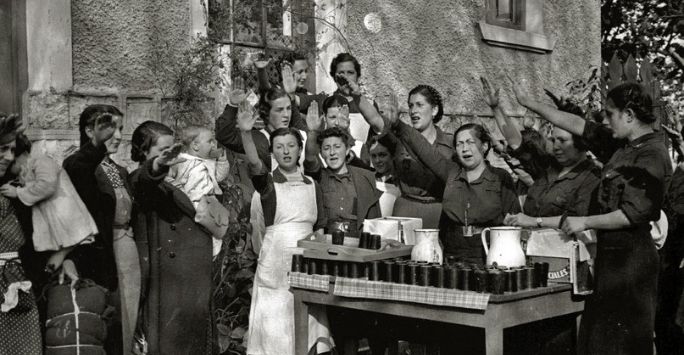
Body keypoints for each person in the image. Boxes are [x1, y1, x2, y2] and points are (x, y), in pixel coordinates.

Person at [506, 81, 671, 355]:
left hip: (631, 263)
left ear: (629, 115)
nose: (605, 120)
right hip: (612, 257)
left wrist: (586, 221)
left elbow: (635, 213)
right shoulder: (624, 145)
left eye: (610, 114)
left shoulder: (652, 154)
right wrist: (530, 103)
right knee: (599, 343)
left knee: (622, 344)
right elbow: (577, 124)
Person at [236, 102, 333, 355]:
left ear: (299, 149)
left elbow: (320, 226)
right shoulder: (268, 185)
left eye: (291, 146)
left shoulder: (312, 183)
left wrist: (312, 133)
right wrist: (246, 133)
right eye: (279, 147)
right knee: (276, 328)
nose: (286, 152)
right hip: (276, 265)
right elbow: (255, 166)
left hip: (307, 261)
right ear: (273, 153)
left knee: (308, 326)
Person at [384, 98, 520, 265]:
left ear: (484, 146)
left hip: (489, 252)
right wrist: (398, 124)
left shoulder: (500, 177)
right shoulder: (451, 172)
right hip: (453, 253)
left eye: (470, 142)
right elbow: (424, 149)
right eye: (459, 144)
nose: (464, 148)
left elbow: (514, 222)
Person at [129, 121, 214, 354]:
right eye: (161, 151)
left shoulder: (173, 180)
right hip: (167, 279)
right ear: (144, 152)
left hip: (188, 278)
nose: (169, 157)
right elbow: (143, 181)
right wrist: (156, 167)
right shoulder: (141, 178)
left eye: (171, 150)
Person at [480, 77, 601, 223]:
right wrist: (496, 108)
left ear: (581, 143)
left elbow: (579, 222)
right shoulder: (547, 167)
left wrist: (533, 222)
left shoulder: (591, 177)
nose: (556, 146)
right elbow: (516, 142)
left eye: (562, 141)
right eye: (553, 140)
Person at [1, 133, 98, 272]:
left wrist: (18, 193)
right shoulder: (28, 168)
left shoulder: (41, 161)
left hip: (64, 211)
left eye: (12, 165)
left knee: (71, 239)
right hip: (55, 214)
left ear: (19, 156)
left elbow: (46, 185)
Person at [369, 87, 454, 229]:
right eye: (410, 105)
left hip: (439, 214)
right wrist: (357, 95)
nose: (413, 110)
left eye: (420, 105)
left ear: (434, 110)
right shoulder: (400, 140)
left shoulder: (450, 143)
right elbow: (376, 121)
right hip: (406, 213)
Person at [0, 113, 42, 354]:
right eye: (3, 149)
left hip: (17, 284)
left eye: (11, 150)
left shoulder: (14, 191)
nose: (9, 156)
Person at [304, 121, 381, 234]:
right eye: (326, 148)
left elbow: (373, 222)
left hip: (356, 243)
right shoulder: (319, 176)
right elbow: (310, 158)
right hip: (326, 242)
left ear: (348, 150)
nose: (332, 152)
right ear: (320, 153)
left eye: (337, 147)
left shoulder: (364, 177)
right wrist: (312, 132)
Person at [167, 125, 230, 256]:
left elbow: (218, 177)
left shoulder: (205, 161)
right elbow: (195, 197)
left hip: (208, 205)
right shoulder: (189, 164)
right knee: (207, 240)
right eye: (209, 141)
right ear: (195, 145)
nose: (213, 145)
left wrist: (222, 161)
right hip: (199, 208)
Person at [368, 136, 400, 217]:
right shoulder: (368, 180)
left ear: (393, 155)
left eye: (382, 155)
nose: (377, 160)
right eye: (373, 156)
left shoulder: (402, 182)